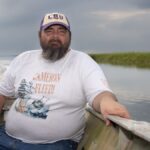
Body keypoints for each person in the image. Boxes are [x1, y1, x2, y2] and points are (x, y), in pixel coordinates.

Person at [0, 12, 130, 150]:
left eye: (61, 31)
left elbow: (99, 92)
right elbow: (2, 93)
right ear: (40, 35)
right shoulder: (23, 59)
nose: (55, 36)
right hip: (5, 137)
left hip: (55, 145)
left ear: (69, 36)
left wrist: (106, 102)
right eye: (49, 31)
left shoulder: (82, 62)